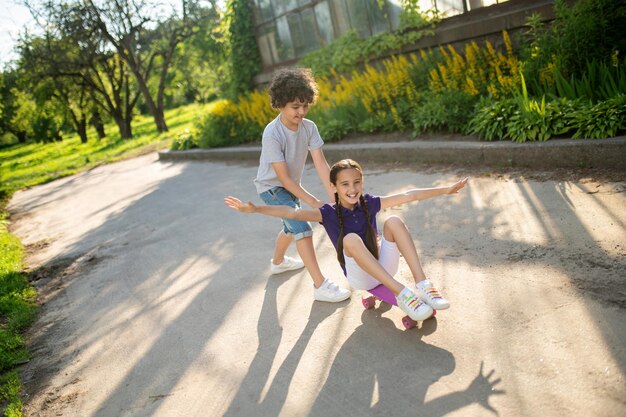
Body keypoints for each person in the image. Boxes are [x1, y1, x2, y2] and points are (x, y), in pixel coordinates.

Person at [225, 159, 468, 321]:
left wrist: (445, 190)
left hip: (382, 266)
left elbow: (408, 195)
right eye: (345, 184)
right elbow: (292, 213)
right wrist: (256, 209)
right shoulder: (328, 213)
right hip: (360, 275)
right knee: (350, 238)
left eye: (356, 182)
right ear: (334, 187)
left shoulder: (369, 203)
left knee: (393, 220)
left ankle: (422, 284)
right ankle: (403, 293)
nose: (352, 189)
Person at [253, 67, 351, 303]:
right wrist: (314, 202)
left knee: (290, 227)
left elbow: (321, 163)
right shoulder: (272, 133)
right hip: (271, 188)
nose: (301, 111)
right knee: (302, 227)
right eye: (295, 107)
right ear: (280, 104)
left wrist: (336, 197)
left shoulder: (309, 127)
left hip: (289, 187)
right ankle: (320, 285)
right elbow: (284, 179)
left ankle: (278, 263)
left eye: (305, 105)